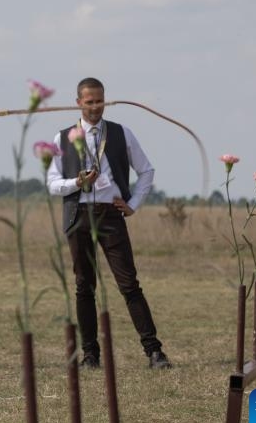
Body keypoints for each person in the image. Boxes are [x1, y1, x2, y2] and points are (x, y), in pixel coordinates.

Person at [46, 77, 172, 370]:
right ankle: (90, 355)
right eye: (89, 102)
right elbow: (51, 183)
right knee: (83, 286)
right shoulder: (62, 138)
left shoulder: (120, 133)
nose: (95, 107)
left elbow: (146, 171)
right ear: (78, 102)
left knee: (129, 283)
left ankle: (154, 351)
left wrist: (133, 205)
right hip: (78, 214)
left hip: (111, 214)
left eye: (99, 101)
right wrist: (76, 182)